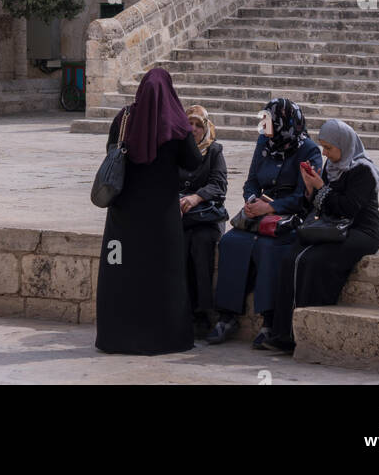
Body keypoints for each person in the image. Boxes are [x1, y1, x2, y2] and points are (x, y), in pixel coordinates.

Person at [95, 66, 203, 355]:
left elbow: (111, 151)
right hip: (160, 217)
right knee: (162, 275)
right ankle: (164, 338)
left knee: (120, 273)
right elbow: (193, 161)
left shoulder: (124, 118)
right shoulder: (176, 125)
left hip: (123, 216)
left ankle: (116, 337)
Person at [255, 117, 379, 353]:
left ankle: (306, 334)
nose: (324, 153)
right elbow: (321, 206)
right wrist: (310, 188)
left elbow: (348, 208)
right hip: (332, 226)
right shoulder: (332, 167)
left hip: (361, 230)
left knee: (313, 261)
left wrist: (320, 187)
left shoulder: (363, 170)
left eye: (329, 148)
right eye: (323, 147)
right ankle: (284, 332)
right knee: (292, 258)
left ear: (343, 145)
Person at [206, 97, 321, 344]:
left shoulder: (308, 149)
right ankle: (227, 316)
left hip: (288, 217)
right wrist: (251, 201)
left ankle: (269, 321)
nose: (264, 127)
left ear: (284, 122)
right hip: (258, 213)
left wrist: (270, 207)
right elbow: (251, 181)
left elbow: (302, 196)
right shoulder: (264, 143)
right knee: (231, 242)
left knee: (268, 247)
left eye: (268, 122)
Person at [180, 104, 228, 340]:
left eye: (198, 125)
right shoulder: (178, 151)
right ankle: (182, 311)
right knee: (179, 243)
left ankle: (202, 314)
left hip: (206, 217)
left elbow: (219, 185)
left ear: (206, 127)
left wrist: (197, 197)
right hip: (183, 217)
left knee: (200, 243)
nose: (194, 129)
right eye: (189, 124)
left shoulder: (214, 151)